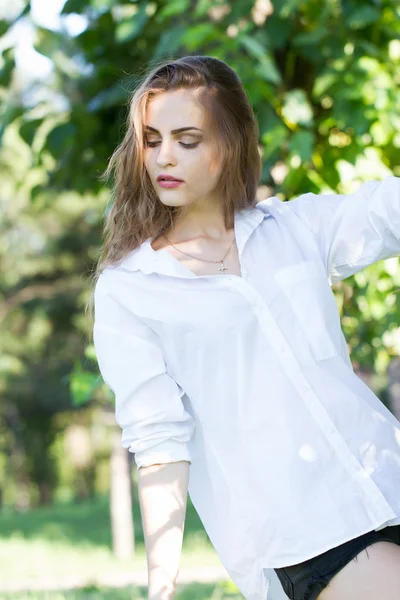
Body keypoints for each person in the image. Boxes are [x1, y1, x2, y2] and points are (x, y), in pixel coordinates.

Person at [90, 55, 400, 600]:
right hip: (306, 537)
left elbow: (384, 211)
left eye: (187, 140)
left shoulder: (295, 228)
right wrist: (160, 586)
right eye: (152, 139)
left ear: (230, 143)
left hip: (388, 479)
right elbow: (159, 441)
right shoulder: (130, 290)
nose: (164, 157)